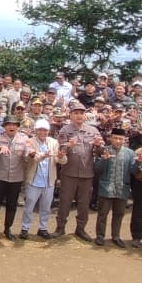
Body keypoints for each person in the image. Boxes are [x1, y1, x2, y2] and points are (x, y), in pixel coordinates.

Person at [55, 103, 102, 241]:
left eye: (81, 113)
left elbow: (100, 152)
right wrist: (68, 146)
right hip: (69, 173)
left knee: (84, 203)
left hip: (87, 173)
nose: (79, 115)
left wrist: (98, 146)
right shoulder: (65, 130)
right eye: (76, 113)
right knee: (65, 201)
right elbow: (60, 150)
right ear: (70, 115)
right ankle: (60, 228)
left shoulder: (93, 130)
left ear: (85, 115)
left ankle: (80, 229)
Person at [0, 116, 28, 241]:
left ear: (18, 126)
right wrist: (0, 148)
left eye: (14, 124)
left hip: (16, 177)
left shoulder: (24, 138)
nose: (11, 127)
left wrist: (29, 154)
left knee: (12, 205)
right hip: (0, 176)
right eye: (8, 124)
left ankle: (7, 229)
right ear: (4, 126)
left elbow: (28, 152)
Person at [93, 128, 136, 247]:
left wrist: (139, 163)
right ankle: (100, 236)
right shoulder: (104, 150)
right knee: (103, 213)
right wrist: (103, 160)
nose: (118, 141)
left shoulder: (130, 153)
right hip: (106, 187)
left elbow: (134, 171)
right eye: (115, 138)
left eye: (120, 139)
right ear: (110, 138)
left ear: (124, 140)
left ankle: (116, 236)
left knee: (119, 214)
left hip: (122, 188)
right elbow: (96, 169)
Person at [20, 118, 62, 240]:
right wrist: (42, 156)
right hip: (34, 180)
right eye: (40, 130)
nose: (42, 132)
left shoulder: (54, 142)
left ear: (48, 131)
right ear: (36, 131)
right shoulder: (29, 141)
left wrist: (61, 157)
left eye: (45, 130)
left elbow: (58, 160)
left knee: (46, 207)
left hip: (49, 180)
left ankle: (42, 228)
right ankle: (25, 228)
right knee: (29, 206)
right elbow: (31, 156)